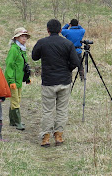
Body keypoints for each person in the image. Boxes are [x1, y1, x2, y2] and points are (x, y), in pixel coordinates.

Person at [32, 19, 80, 147]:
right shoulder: (68, 43)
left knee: (48, 110)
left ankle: (46, 137)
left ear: (47, 30)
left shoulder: (42, 43)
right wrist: (67, 69)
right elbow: (76, 62)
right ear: (60, 30)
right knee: (62, 109)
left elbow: (34, 57)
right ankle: (58, 136)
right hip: (64, 81)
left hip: (48, 81)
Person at [5, 27, 31, 131]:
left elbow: (23, 66)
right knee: (15, 100)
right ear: (16, 38)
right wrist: (11, 81)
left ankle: (13, 121)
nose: (24, 38)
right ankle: (18, 122)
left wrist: (27, 78)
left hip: (19, 80)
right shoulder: (14, 49)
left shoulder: (22, 49)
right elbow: (9, 66)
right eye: (22, 36)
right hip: (13, 81)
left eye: (25, 36)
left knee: (17, 99)